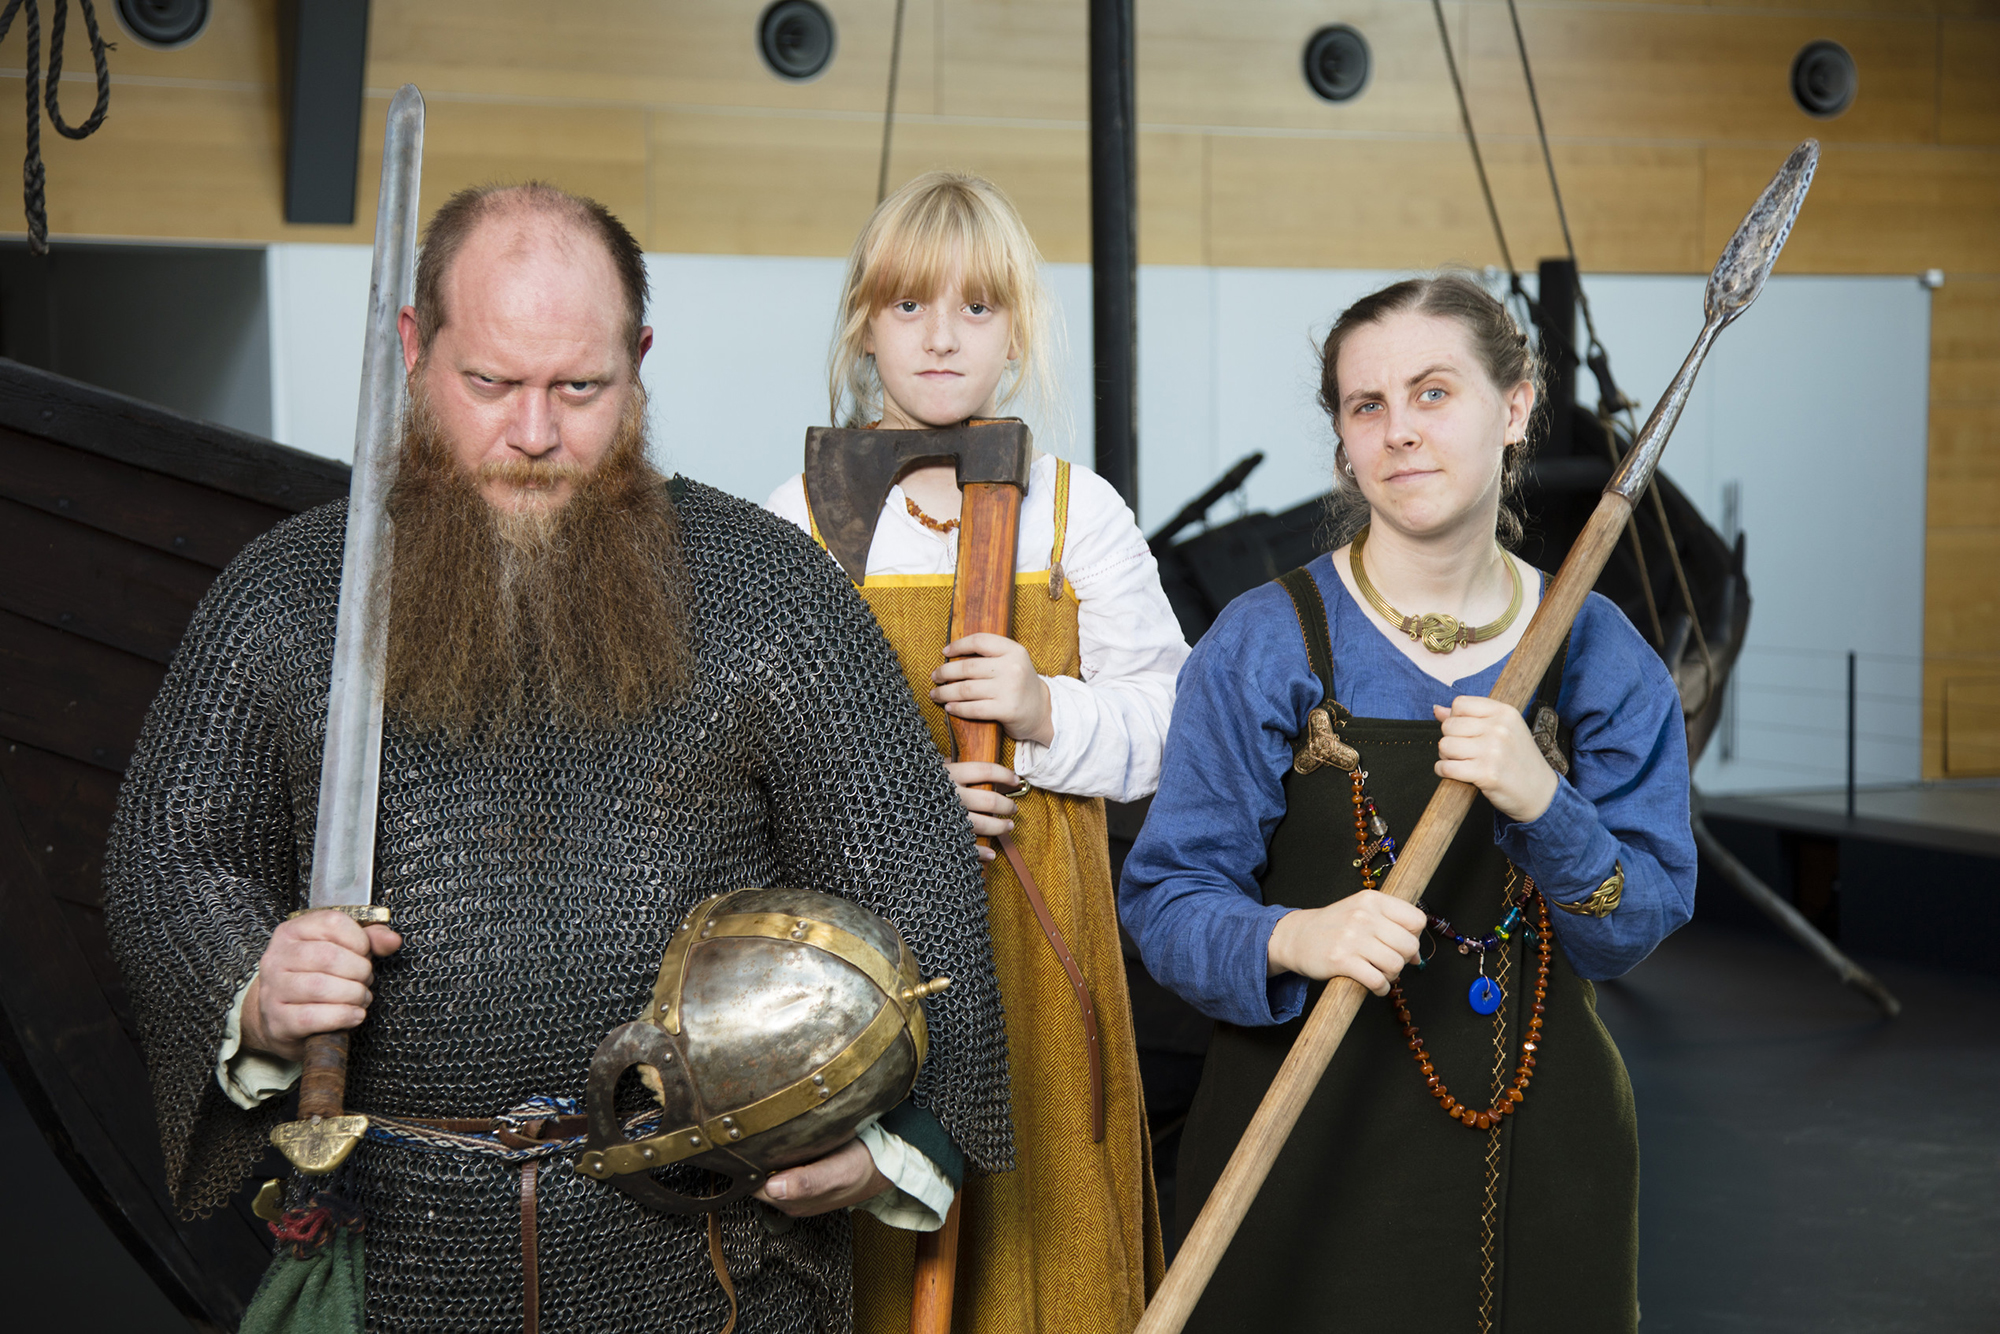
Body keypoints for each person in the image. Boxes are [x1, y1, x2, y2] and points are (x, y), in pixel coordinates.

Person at [102, 183, 1012, 1334]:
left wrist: (888, 1146)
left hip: (708, 1262)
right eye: (490, 383)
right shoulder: (290, 598)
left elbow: (910, 876)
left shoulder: (768, 592)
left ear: (638, 359)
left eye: (579, 388)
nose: (533, 434)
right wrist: (256, 995)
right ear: (413, 349)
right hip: (403, 1249)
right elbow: (175, 855)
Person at [1118, 274, 1696, 1333]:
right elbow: (1163, 900)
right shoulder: (1262, 641)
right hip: (1298, 1142)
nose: (1398, 433)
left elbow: (1636, 926)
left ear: (1513, 407)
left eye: (1433, 393)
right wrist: (1297, 933)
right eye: (1364, 405)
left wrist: (1542, 800)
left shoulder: (1600, 652)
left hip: (1543, 1149)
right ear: (1341, 437)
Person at [766, 171, 1183, 1332]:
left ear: (1019, 330)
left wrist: (1045, 712)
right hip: (857, 960)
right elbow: (749, 763)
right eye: (908, 306)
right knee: (865, 1232)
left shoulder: (1070, 512)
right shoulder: (797, 517)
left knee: (1039, 1228)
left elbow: (1168, 724)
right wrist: (900, 815)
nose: (941, 337)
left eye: (977, 308)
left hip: (1038, 944)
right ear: (863, 322)